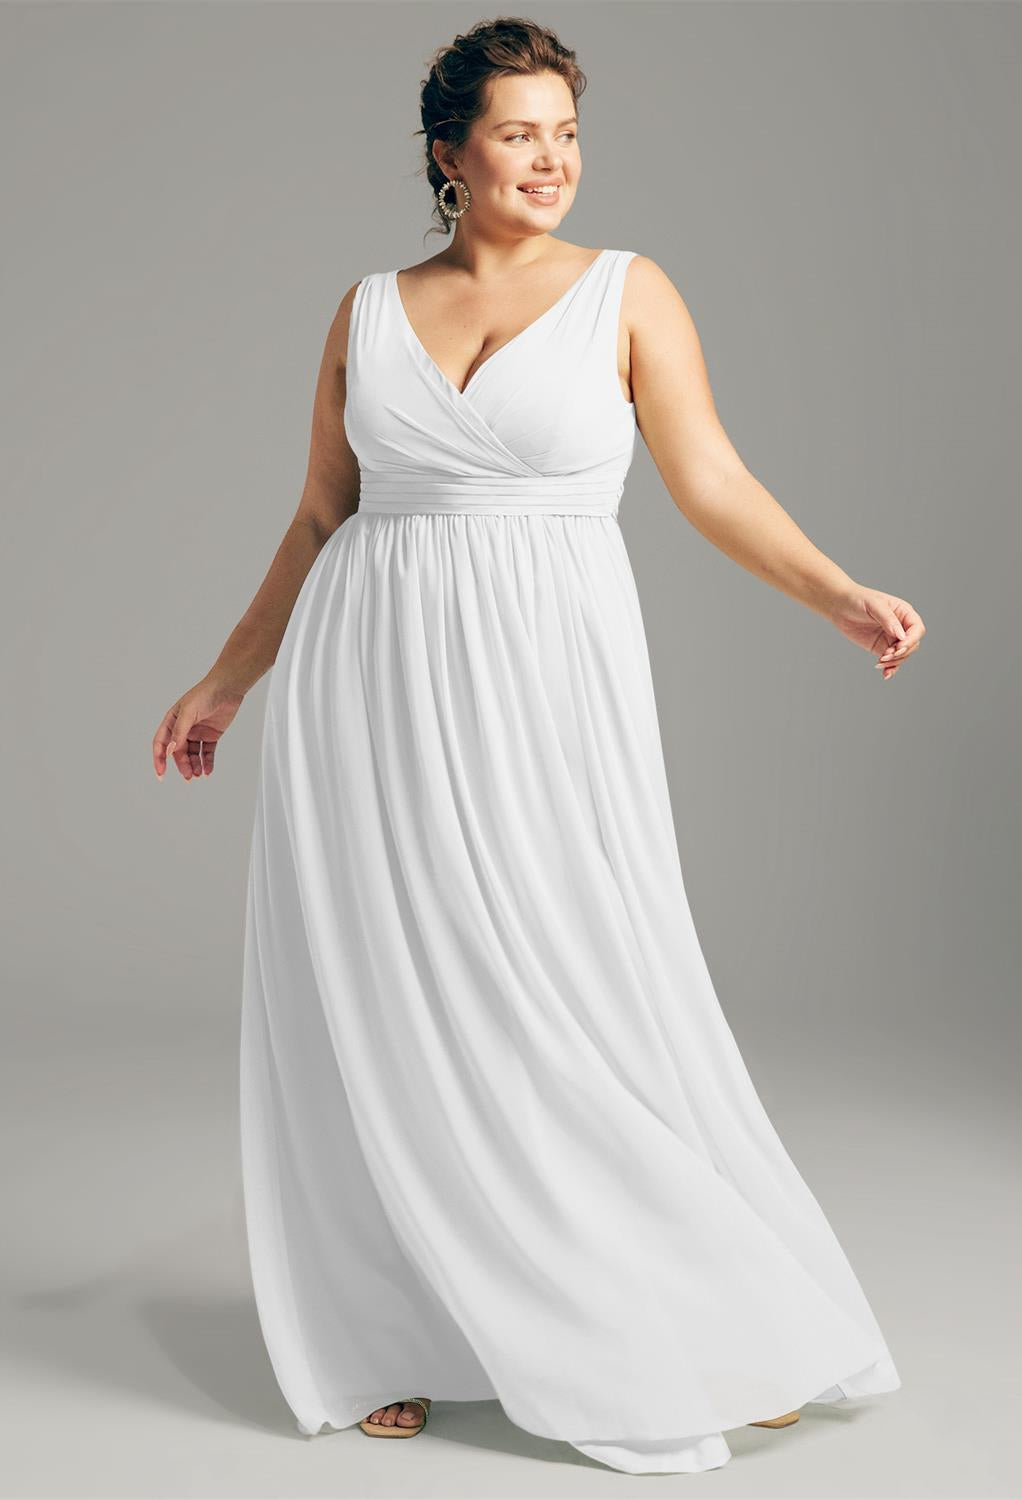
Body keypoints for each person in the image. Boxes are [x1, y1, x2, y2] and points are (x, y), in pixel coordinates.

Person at [151, 17, 921, 1478]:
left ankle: (693, 1310)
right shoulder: (367, 307)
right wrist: (225, 682)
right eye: (520, 133)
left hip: (545, 680)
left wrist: (836, 593)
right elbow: (322, 514)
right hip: (365, 687)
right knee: (383, 999)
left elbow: (707, 477)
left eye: (566, 131)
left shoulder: (629, 293)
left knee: (573, 986)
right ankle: (387, 1332)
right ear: (449, 155)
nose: (552, 158)